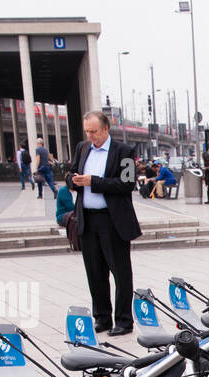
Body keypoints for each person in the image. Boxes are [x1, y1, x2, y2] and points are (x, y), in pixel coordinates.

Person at [68, 109, 142, 336]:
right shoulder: (82, 149)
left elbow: (127, 184)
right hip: (88, 219)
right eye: (87, 132)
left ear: (106, 129)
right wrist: (74, 181)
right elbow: (70, 174)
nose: (91, 136)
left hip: (113, 221)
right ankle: (101, 317)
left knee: (120, 272)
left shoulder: (125, 151)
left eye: (95, 132)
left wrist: (94, 182)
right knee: (95, 272)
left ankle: (123, 320)